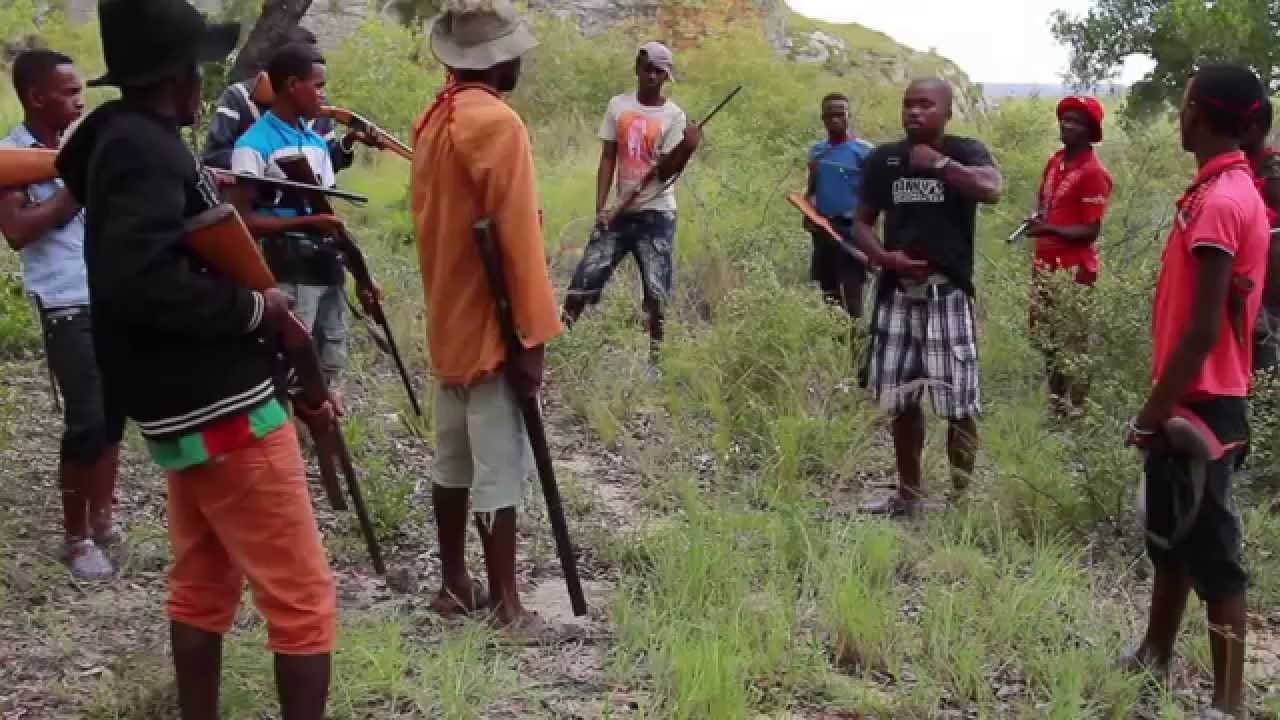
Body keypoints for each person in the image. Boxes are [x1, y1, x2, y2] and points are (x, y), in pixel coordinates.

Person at [56, 1, 338, 717]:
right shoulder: (147, 151)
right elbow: (141, 280)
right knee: (302, 600)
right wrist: (256, 307)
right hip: (225, 404)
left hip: (178, 407)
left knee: (204, 584)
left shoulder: (116, 140)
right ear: (178, 76)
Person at [1119, 64, 1269, 720]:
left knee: (1214, 554)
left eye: (1183, 106)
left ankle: (1228, 702)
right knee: (1171, 537)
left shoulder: (1223, 200)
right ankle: (1153, 654)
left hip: (1204, 403)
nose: (1177, 117)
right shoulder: (1218, 190)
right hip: (1190, 395)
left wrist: (1154, 413)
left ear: (1203, 117)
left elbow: (1205, 327)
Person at [410, 0, 561, 630]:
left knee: (451, 460)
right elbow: (518, 241)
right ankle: (506, 603)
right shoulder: (498, 124)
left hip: (446, 317)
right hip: (492, 324)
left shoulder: (432, 120)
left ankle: (455, 584)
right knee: (498, 464)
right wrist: (532, 336)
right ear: (497, 59)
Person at [850, 78, 1003, 517]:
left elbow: (992, 188)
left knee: (959, 404)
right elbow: (862, 222)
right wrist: (884, 257)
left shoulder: (965, 151)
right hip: (897, 295)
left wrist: (939, 166)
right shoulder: (884, 160)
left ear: (947, 111)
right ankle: (909, 494)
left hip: (947, 296)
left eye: (925, 105)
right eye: (908, 105)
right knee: (901, 400)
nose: (914, 112)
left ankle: (960, 501)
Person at [0, 49, 121, 579]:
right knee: (86, 420)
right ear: (36, 97)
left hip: (111, 294)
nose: (80, 100)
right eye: (70, 92)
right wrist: (76, 184)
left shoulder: (83, 147)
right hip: (65, 301)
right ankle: (75, 538)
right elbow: (18, 230)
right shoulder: (11, 155)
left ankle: (103, 517)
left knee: (114, 415)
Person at [562, 41, 702, 358]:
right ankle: (561, 342)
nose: (651, 76)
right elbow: (608, 158)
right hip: (618, 213)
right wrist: (601, 208)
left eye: (658, 71)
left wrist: (686, 148)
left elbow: (666, 173)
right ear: (637, 69)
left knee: (656, 291)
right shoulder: (618, 106)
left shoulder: (675, 116)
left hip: (657, 215)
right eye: (646, 68)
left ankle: (657, 359)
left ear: (667, 76)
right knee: (585, 277)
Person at [228, 43, 350, 396]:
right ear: (293, 84)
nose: (323, 94)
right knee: (290, 365)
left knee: (329, 362)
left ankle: (320, 438)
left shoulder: (315, 141)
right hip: (288, 271)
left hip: (327, 269)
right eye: (317, 84)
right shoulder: (253, 145)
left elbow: (327, 208)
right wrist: (303, 225)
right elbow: (243, 221)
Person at [1024, 96, 1113, 416]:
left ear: (1091, 131)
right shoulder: (1054, 162)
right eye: (1065, 119)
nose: (1067, 125)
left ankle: (1077, 409)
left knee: (1073, 340)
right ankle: (1056, 402)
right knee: (1045, 336)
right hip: (1044, 266)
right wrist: (1037, 219)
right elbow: (1044, 205)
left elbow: (1090, 230)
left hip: (1075, 270)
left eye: (1076, 122)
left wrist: (1048, 230)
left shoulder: (1094, 172)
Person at [201, 25, 358, 172]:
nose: (319, 91)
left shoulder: (317, 106)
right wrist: (268, 166)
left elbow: (327, 164)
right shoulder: (237, 97)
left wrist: (348, 141)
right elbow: (214, 156)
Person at [804, 92, 874, 320]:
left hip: (852, 232)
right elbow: (812, 190)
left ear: (848, 116)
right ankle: (837, 348)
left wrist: (872, 241)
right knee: (830, 299)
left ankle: (857, 352)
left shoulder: (865, 152)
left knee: (853, 301)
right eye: (829, 115)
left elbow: (875, 198)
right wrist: (807, 212)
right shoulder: (817, 152)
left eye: (840, 114)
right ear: (822, 118)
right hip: (823, 230)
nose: (835, 119)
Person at [1242, 99, 1280, 373]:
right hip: (1250, 291)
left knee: (1263, 374)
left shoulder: (1273, 172)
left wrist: (1262, 305)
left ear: (1257, 128)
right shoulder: (1241, 166)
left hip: (1267, 300)